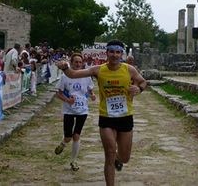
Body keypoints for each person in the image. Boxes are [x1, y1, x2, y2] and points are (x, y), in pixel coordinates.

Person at [57, 40, 147, 186]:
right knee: (109, 154)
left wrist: (139, 89)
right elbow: (73, 74)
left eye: (118, 52)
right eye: (112, 51)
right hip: (106, 117)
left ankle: (119, 159)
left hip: (125, 117)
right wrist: (65, 67)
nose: (114, 55)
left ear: (121, 54)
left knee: (125, 157)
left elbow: (143, 82)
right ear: (107, 53)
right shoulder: (98, 70)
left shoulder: (129, 69)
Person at [54, 53, 96, 171]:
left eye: (80, 62)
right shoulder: (65, 76)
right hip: (69, 110)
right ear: (71, 63)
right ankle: (63, 143)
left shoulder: (86, 76)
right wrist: (67, 100)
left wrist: (92, 95)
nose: (78, 64)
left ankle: (73, 161)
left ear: (82, 63)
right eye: (75, 62)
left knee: (76, 135)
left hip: (82, 110)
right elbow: (58, 93)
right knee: (68, 137)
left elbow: (90, 90)